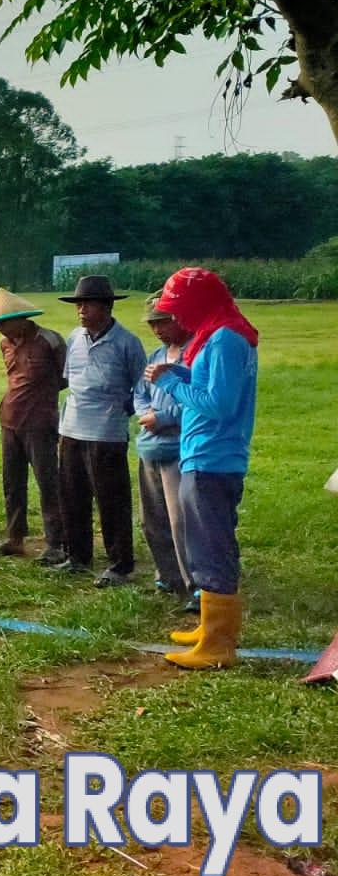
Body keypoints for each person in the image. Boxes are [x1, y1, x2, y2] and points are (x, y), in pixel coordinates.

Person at [147, 268, 259, 669]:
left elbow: (218, 404)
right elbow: (209, 385)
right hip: (203, 455)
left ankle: (217, 644)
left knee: (212, 547)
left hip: (213, 458)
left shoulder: (225, 339)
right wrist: (178, 373)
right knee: (202, 544)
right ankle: (210, 628)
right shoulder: (218, 334)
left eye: (180, 308)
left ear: (200, 303)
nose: (177, 317)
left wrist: (171, 385)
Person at [56, 275, 148, 586]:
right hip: (72, 428)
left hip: (106, 432)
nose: (81, 310)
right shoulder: (74, 338)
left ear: (107, 307)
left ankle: (120, 564)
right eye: (78, 304)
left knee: (111, 499)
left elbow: (142, 388)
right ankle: (77, 556)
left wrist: (122, 411)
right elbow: (70, 379)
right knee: (72, 495)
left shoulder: (127, 343)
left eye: (87, 304)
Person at [0, 289, 67, 565]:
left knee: (48, 482)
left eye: (3, 322)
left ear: (21, 318)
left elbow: (66, 377)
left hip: (40, 423)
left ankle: (56, 543)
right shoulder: (5, 343)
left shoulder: (50, 341)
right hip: (9, 421)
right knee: (12, 483)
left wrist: (41, 396)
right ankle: (15, 538)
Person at [132, 296, 191, 599]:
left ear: (180, 319)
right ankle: (166, 576)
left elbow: (198, 401)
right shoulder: (156, 356)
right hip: (149, 447)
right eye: (152, 324)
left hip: (177, 450)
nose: (157, 329)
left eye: (163, 322)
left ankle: (194, 584)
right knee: (152, 519)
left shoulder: (194, 356)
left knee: (181, 521)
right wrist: (146, 413)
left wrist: (165, 417)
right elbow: (140, 393)